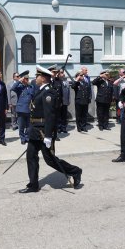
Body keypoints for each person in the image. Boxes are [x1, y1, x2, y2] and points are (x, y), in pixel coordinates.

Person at [19, 65, 82, 194]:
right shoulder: (40, 90)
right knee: (31, 156)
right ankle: (33, 184)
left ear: (42, 78)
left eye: (37, 76)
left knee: (50, 160)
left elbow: (50, 115)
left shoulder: (48, 92)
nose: (35, 78)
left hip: (43, 131)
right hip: (35, 130)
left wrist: (48, 135)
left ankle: (75, 171)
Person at [11, 70, 34, 144]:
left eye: (27, 79)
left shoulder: (31, 87)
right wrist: (19, 81)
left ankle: (27, 137)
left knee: (28, 126)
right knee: (21, 126)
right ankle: (22, 138)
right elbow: (13, 88)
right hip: (21, 110)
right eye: (25, 79)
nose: (27, 80)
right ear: (23, 79)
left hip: (28, 109)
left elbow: (33, 97)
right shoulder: (19, 87)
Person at [58, 69, 70, 133]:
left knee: (64, 115)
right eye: (61, 73)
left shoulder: (66, 81)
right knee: (59, 115)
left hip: (65, 101)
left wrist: (68, 100)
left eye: (63, 72)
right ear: (58, 74)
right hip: (59, 101)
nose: (63, 74)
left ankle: (64, 127)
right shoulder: (57, 81)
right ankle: (59, 128)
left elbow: (68, 92)